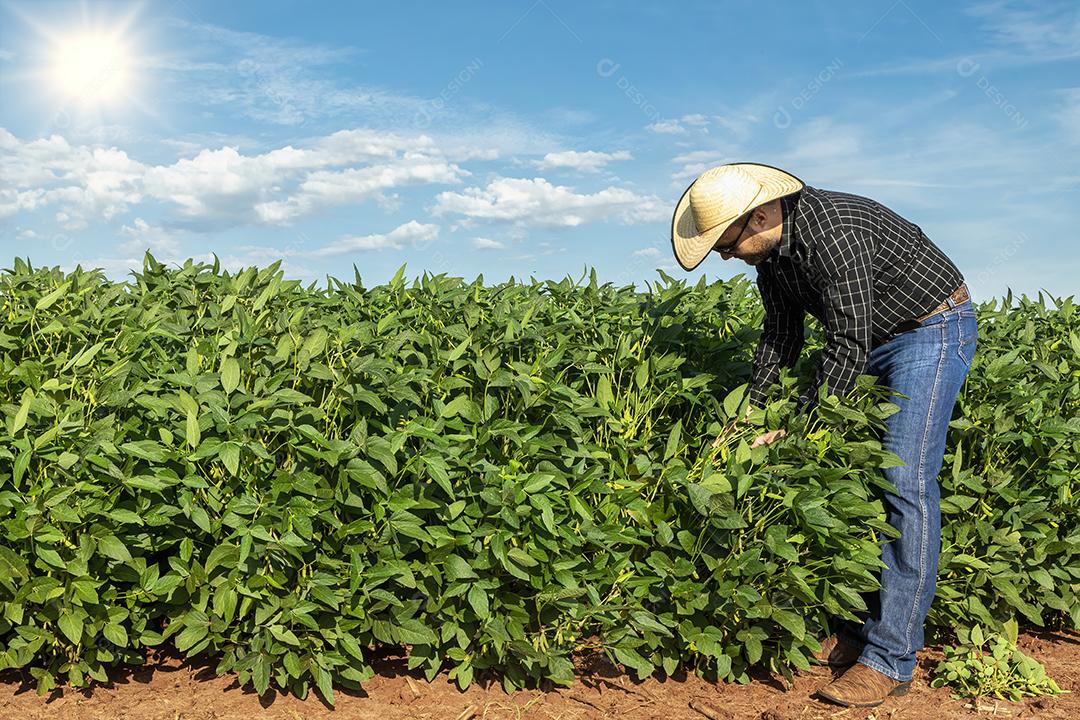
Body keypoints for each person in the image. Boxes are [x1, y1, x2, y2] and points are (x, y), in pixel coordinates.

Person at [670, 162, 978, 708]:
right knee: (849, 484)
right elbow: (781, 336)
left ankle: (891, 658)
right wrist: (750, 414)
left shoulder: (834, 233)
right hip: (870, 339)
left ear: (761, 215)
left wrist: (798, 426)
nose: (723, 255)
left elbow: (847, 342)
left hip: (928, 332)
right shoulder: (774, 258)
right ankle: (858, 633)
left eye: (726, 241)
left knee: (902, 481)